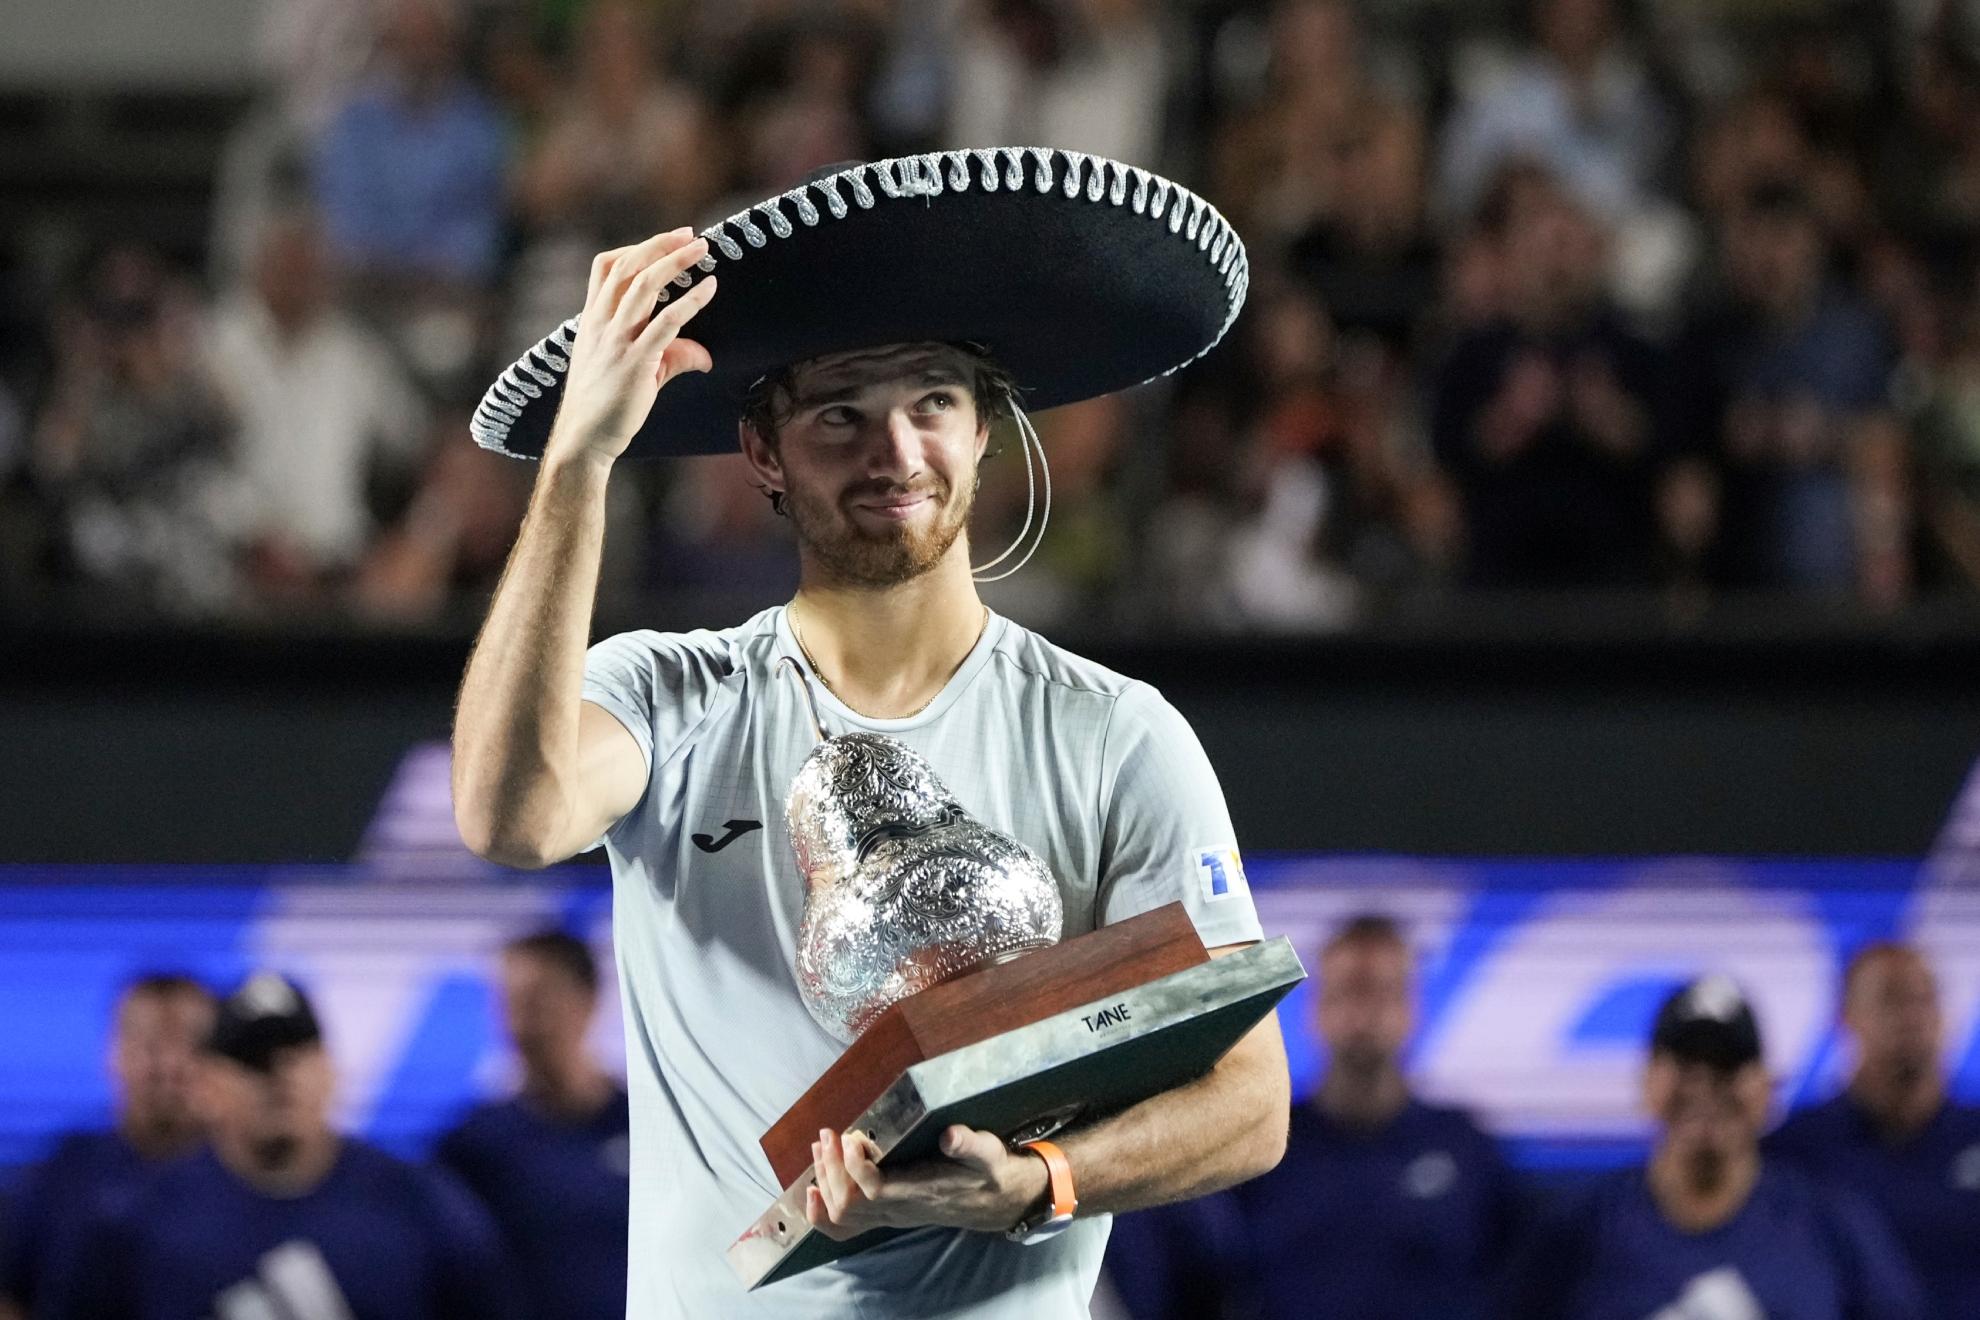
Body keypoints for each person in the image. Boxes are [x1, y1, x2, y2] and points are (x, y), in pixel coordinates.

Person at [452, 147, 1288, 1318]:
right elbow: (511, 814)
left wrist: (1039, 1182)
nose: (896, 455)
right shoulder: (671, 695)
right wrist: (582, 462)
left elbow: (1250, 1101)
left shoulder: (1116, 736)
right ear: (762, 454)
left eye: (932, 403)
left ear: (989, 430)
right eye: (841, 414)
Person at [75, 971, 518, 1320]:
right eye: (252, 1058)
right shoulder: (137, 1223)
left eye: (295, 1053)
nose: (278, 1075)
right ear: (206, 1085)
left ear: (330, 1072)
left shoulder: (422, 1208)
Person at [1497, 975, 1926, 1320]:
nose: (1703, 1087)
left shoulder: (1833, 1228)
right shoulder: (1579, 1231)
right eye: (1685, 1065)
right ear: (1648, 1083)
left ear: (1765, 1089)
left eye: (1727, 1066)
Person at [1767, 942, 1980, 1318]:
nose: (1911, 1017)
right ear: (1844, 1017)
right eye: (1891, 999)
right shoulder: (1794, 1151)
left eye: (1924, 999)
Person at [436, 930, 629, 1320]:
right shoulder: (469, 1149)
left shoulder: (652, 1128)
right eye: (510, 1003)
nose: (523, 1023)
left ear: (588, 1000)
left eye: (539, 1000)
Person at [0, 974, 214, 1320]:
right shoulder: (62, 1173)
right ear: (113, 1053)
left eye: (189, 1044)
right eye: (150, 1045)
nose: (168, 1066)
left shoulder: (258, 1184)